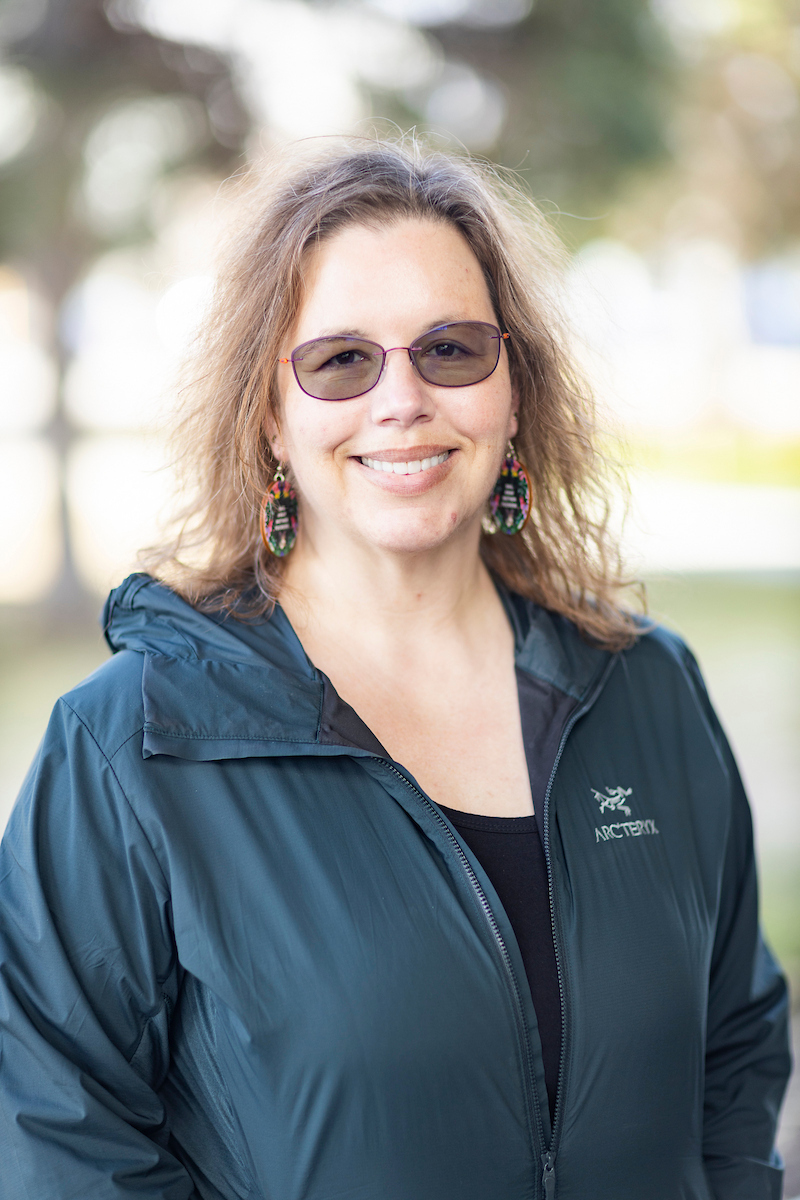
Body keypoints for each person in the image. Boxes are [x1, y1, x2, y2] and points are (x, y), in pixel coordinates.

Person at [0, 138, 790, 1200]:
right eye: (339, 361)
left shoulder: (644, 687)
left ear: (512, 390)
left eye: (450, 348)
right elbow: (56, 1141)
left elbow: (734, 1045)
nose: (401, 398)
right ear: (269, 418)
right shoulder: (130, 747)